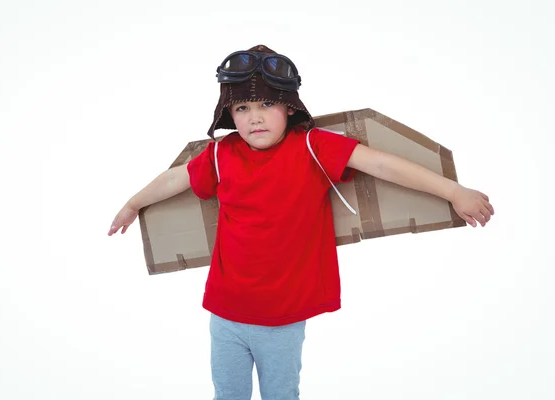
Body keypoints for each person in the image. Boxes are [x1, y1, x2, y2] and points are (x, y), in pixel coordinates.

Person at [108, 45, 494, 400]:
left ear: (288, 106)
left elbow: (380, 163)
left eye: (265, 104)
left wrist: (453, 191)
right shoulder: (222, 153)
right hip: (225, 311)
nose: (254, 117)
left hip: (283, 317)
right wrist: (133, 203)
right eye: (241, 108)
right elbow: (176, 178)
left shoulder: (313, 145)